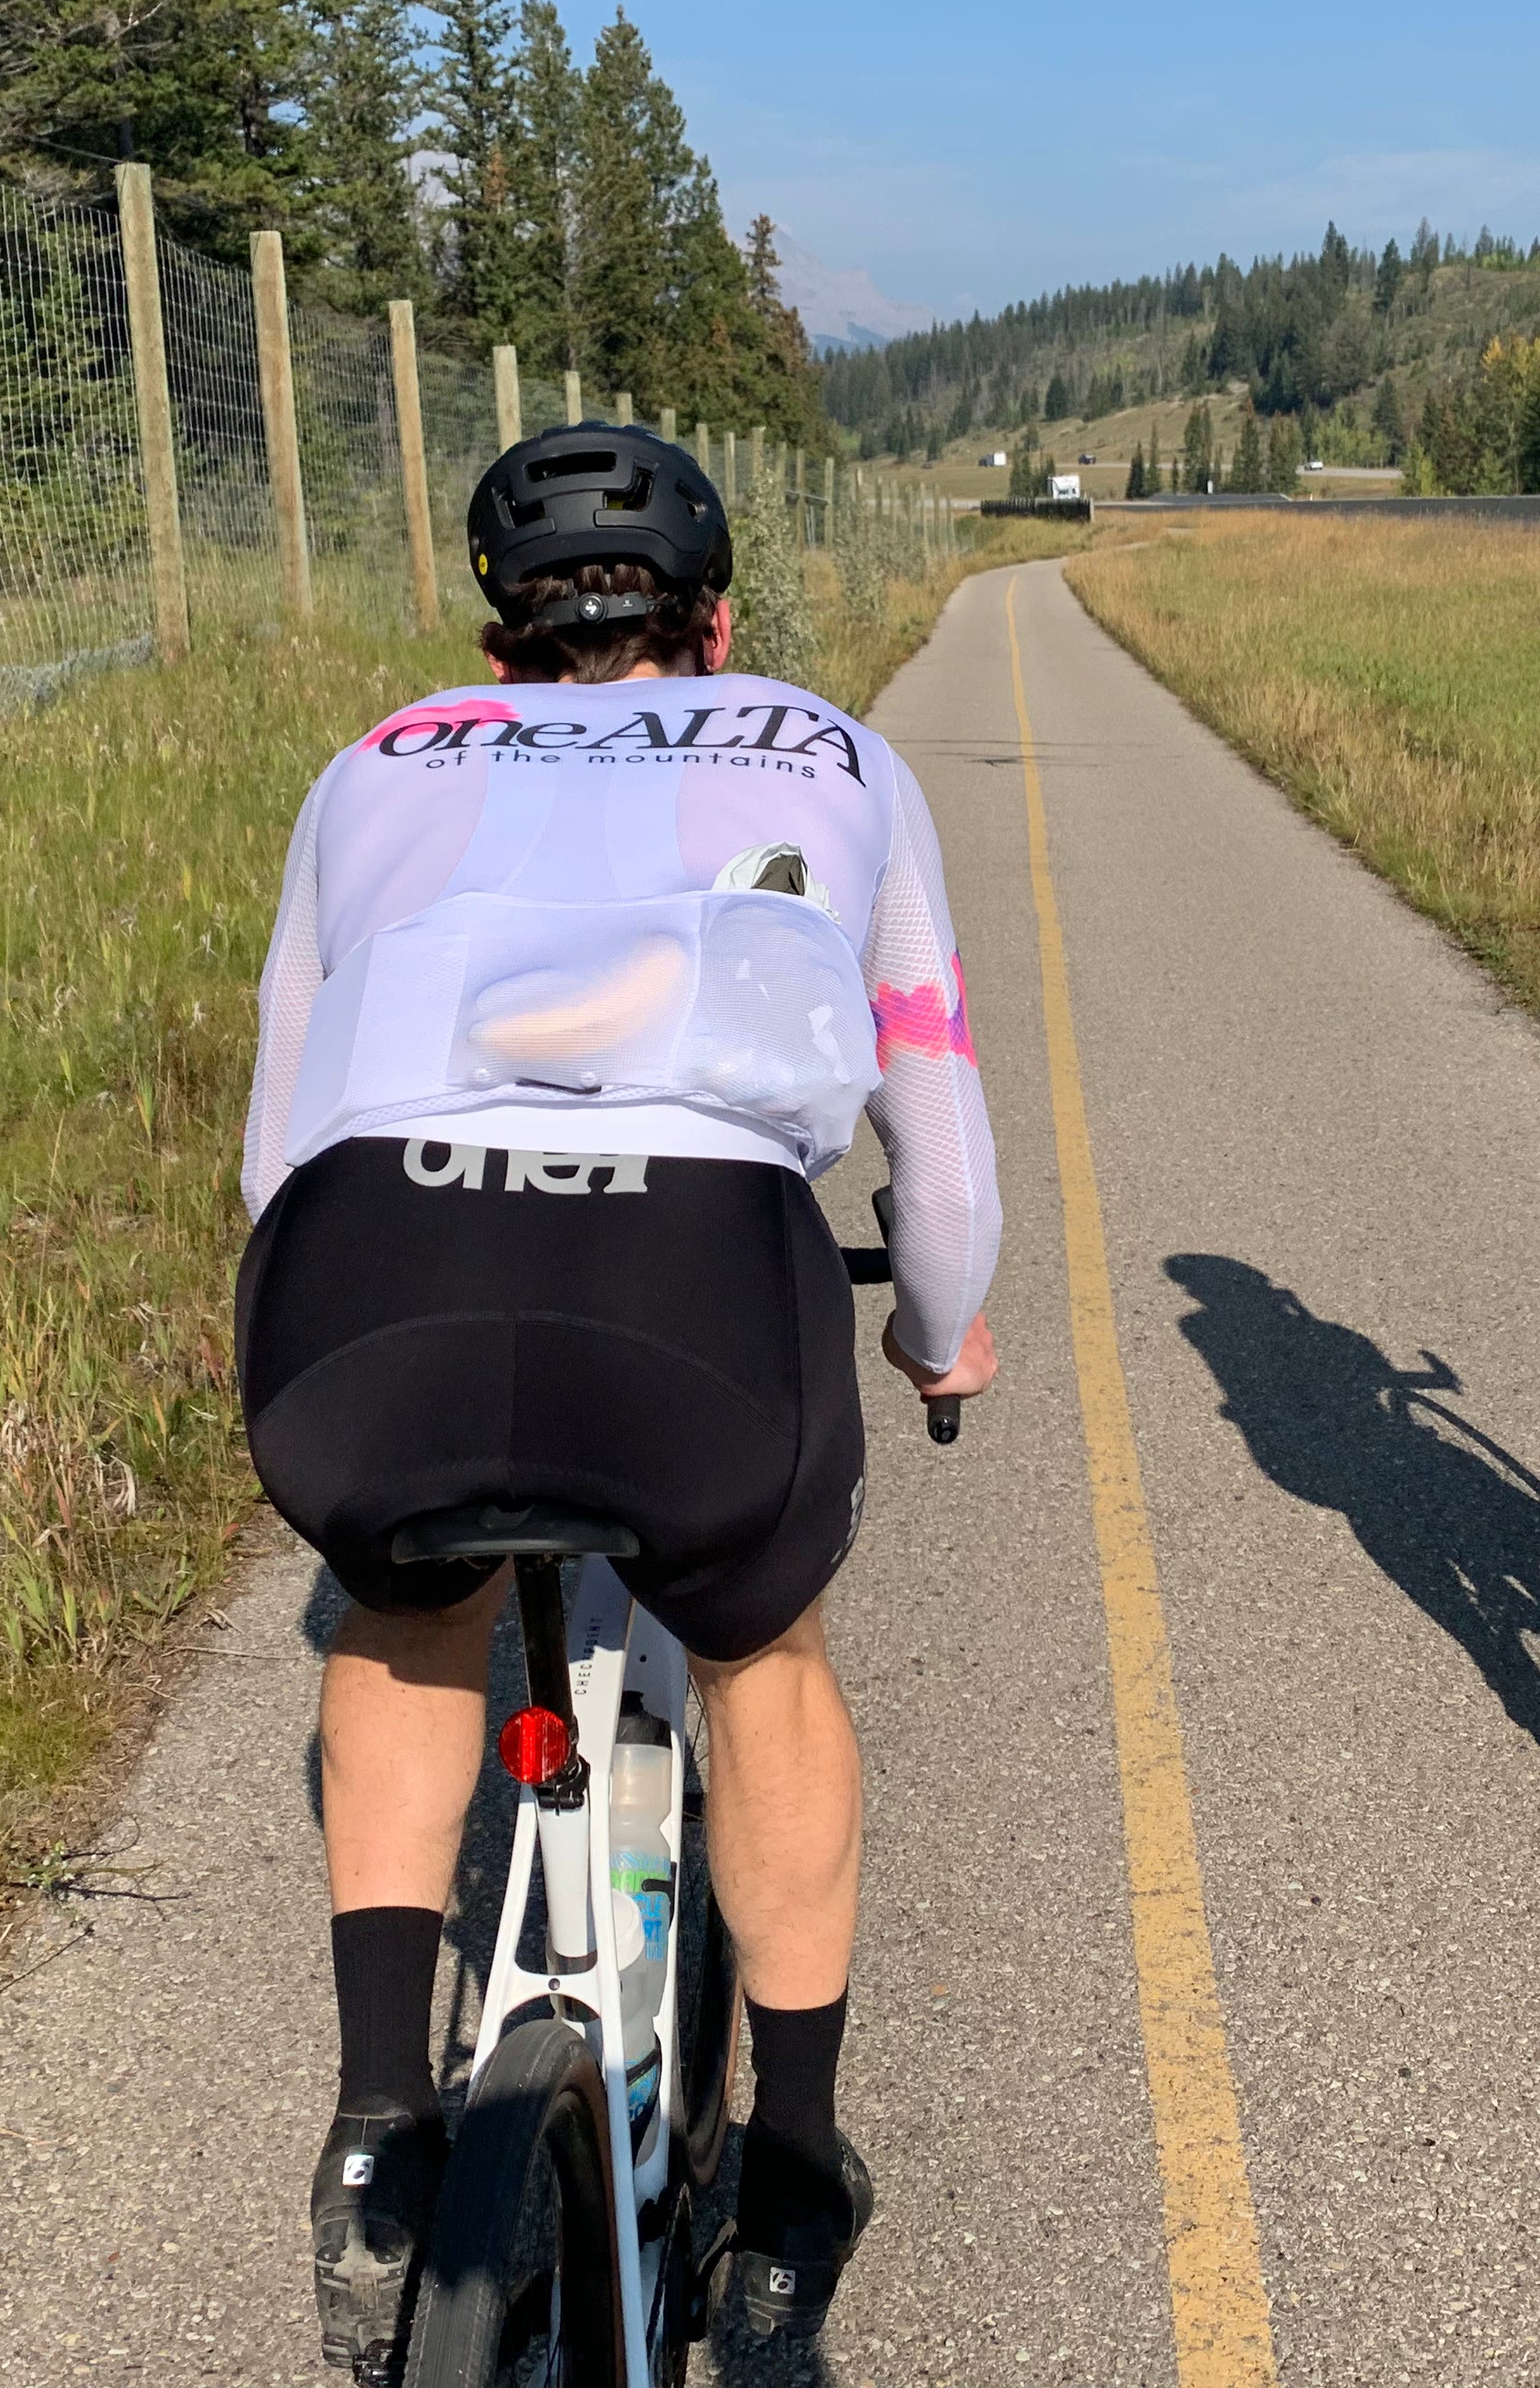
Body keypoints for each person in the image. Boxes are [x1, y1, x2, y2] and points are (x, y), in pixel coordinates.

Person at [234, 423, 1000, 2378]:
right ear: (719, 628)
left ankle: (378, 2133)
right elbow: (937, 1140)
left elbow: (279, 1145)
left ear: (495, 651)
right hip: (694, 1287)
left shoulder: (377, 761)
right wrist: (939, 1337)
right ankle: (795, 2178)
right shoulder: (835, 752)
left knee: (408, 1608)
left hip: (368, 1275)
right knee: (762, 1656)